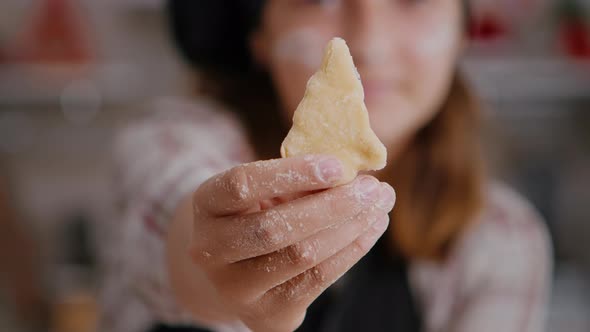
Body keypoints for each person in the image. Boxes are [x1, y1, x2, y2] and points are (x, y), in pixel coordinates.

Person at [100, 1, 552, 331]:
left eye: (411, 1)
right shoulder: (171, 139)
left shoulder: (504, 238)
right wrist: (218, 260)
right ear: (260, 34)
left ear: (462, 31)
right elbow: (173, 214)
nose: (369, 45)